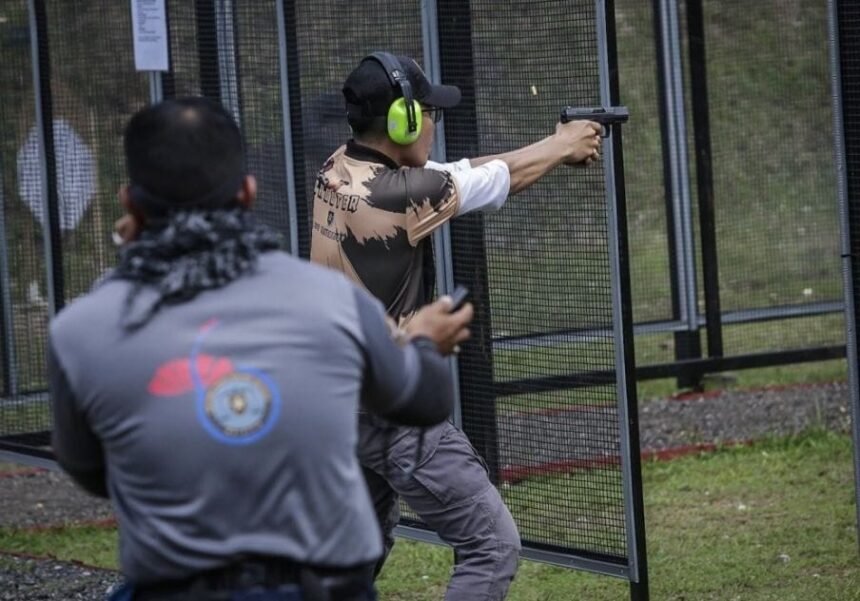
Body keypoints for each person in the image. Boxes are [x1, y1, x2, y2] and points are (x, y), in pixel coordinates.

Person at [49, 97, 474, 601]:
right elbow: (423, 402)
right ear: (248, 195)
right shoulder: (332, 300)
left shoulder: (79, 330)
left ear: (131, 205)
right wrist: (422, 343)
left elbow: (92, 471)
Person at [309, 52, 602, 601]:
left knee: (353, 555)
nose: (434, 122)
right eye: (427, 112)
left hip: (337, 402)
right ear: (405, 121)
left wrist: (555, 145)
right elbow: (496, 180)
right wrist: (562, 147)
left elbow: (458, 175)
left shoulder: (338, 170)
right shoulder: (398, 196)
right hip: (390, 405)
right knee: (492, 545)